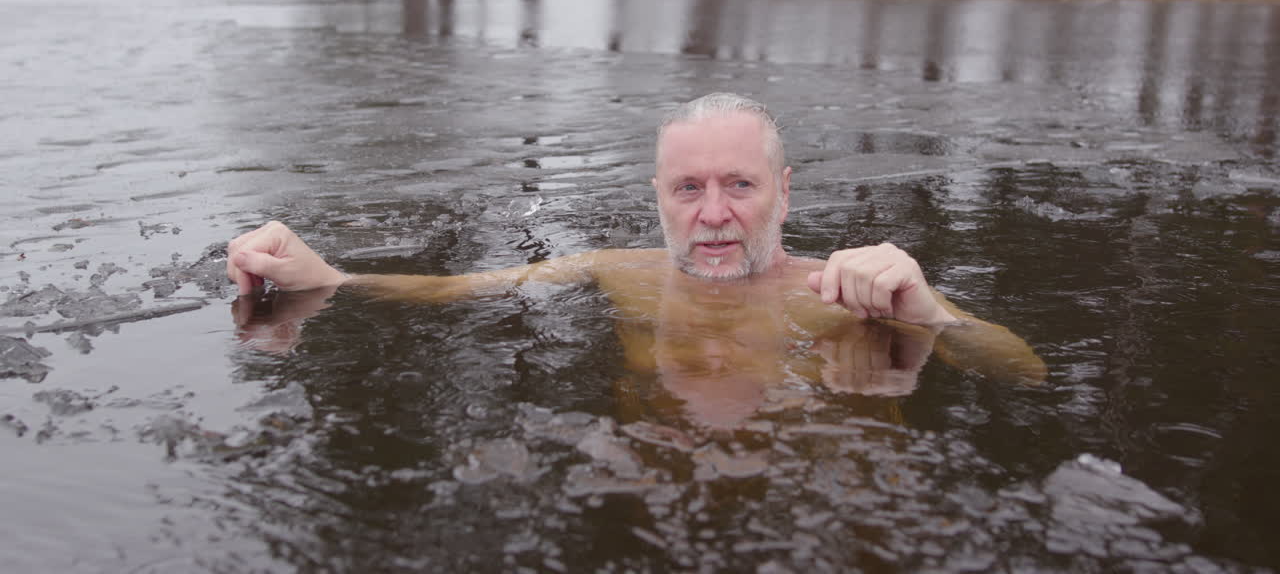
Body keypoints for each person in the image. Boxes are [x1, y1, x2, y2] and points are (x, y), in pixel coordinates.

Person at [227, 94, 1046, 417]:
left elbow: (1025, 373)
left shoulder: (839, 291)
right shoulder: (618, 271)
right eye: (689, 188)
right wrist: (331, 277)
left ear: (784, 193)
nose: (714, 215)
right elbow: (456, 290)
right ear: (658, 196)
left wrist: (933, 316)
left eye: (740, 185)